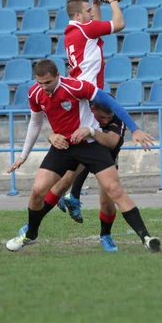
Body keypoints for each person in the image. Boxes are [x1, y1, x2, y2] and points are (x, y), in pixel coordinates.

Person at [6, 59, 161, 253]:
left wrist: (135, 129)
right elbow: (35, 123)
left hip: (90, 145)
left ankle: (146, 238)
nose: (44, 87)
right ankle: (31, 234)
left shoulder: (75, 87)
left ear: (57, 76)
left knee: (114, 192)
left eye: (48, 82)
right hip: (63, 146)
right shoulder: (35, 93)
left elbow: (110, 102)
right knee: (37, 191)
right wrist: (24, 155)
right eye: (40, 83)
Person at [34, 0, 126, 223]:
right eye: (88, 10)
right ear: (78, 16)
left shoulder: (77, 32)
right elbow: (119, 24)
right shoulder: (84, 30)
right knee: (96, 154)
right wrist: (113, 0)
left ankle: (69, 198)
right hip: (87, 94)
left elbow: (95, 22)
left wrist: (96, 2)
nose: (91, 14)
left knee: (76, 163)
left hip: (80, 94)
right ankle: (68, 200)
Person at [18, 97, 127, 252]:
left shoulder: (118, 120)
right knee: (63, 182)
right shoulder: (84, 113)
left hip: (106, 159)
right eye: (102, 117)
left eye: (108, 117)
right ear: (93, 109)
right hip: (83, 152)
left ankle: (105, 235)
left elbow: (112, 142)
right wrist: (52, 136)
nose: (105, 121)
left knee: (107, 203)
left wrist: (93, 132)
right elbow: (61, 126)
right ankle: (33, 224)